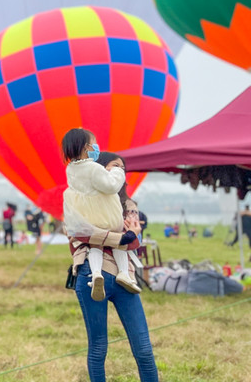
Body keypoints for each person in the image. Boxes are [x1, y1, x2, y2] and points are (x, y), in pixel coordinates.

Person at [69, 151, 157, 382]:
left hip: (124, 276)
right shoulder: (81, 200)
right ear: (97, 170)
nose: (119, 170)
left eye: (122, 167)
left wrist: (129, 236)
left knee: (144, 349)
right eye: (113, 165)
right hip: (92, 274)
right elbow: (79, 235)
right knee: (99, 348)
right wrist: (121, 238)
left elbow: (134, 242)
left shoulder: (128, 204)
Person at [61, 128, 139, 300]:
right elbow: (111, 186)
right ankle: (124, 273)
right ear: (85, 147)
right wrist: (117, 173)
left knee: (95, 246)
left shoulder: (71, 170)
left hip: (86, 218)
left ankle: (96, 273)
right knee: (118, 240)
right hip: (105, 215)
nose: (96, 147)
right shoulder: (94, 168)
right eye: (94, 143)